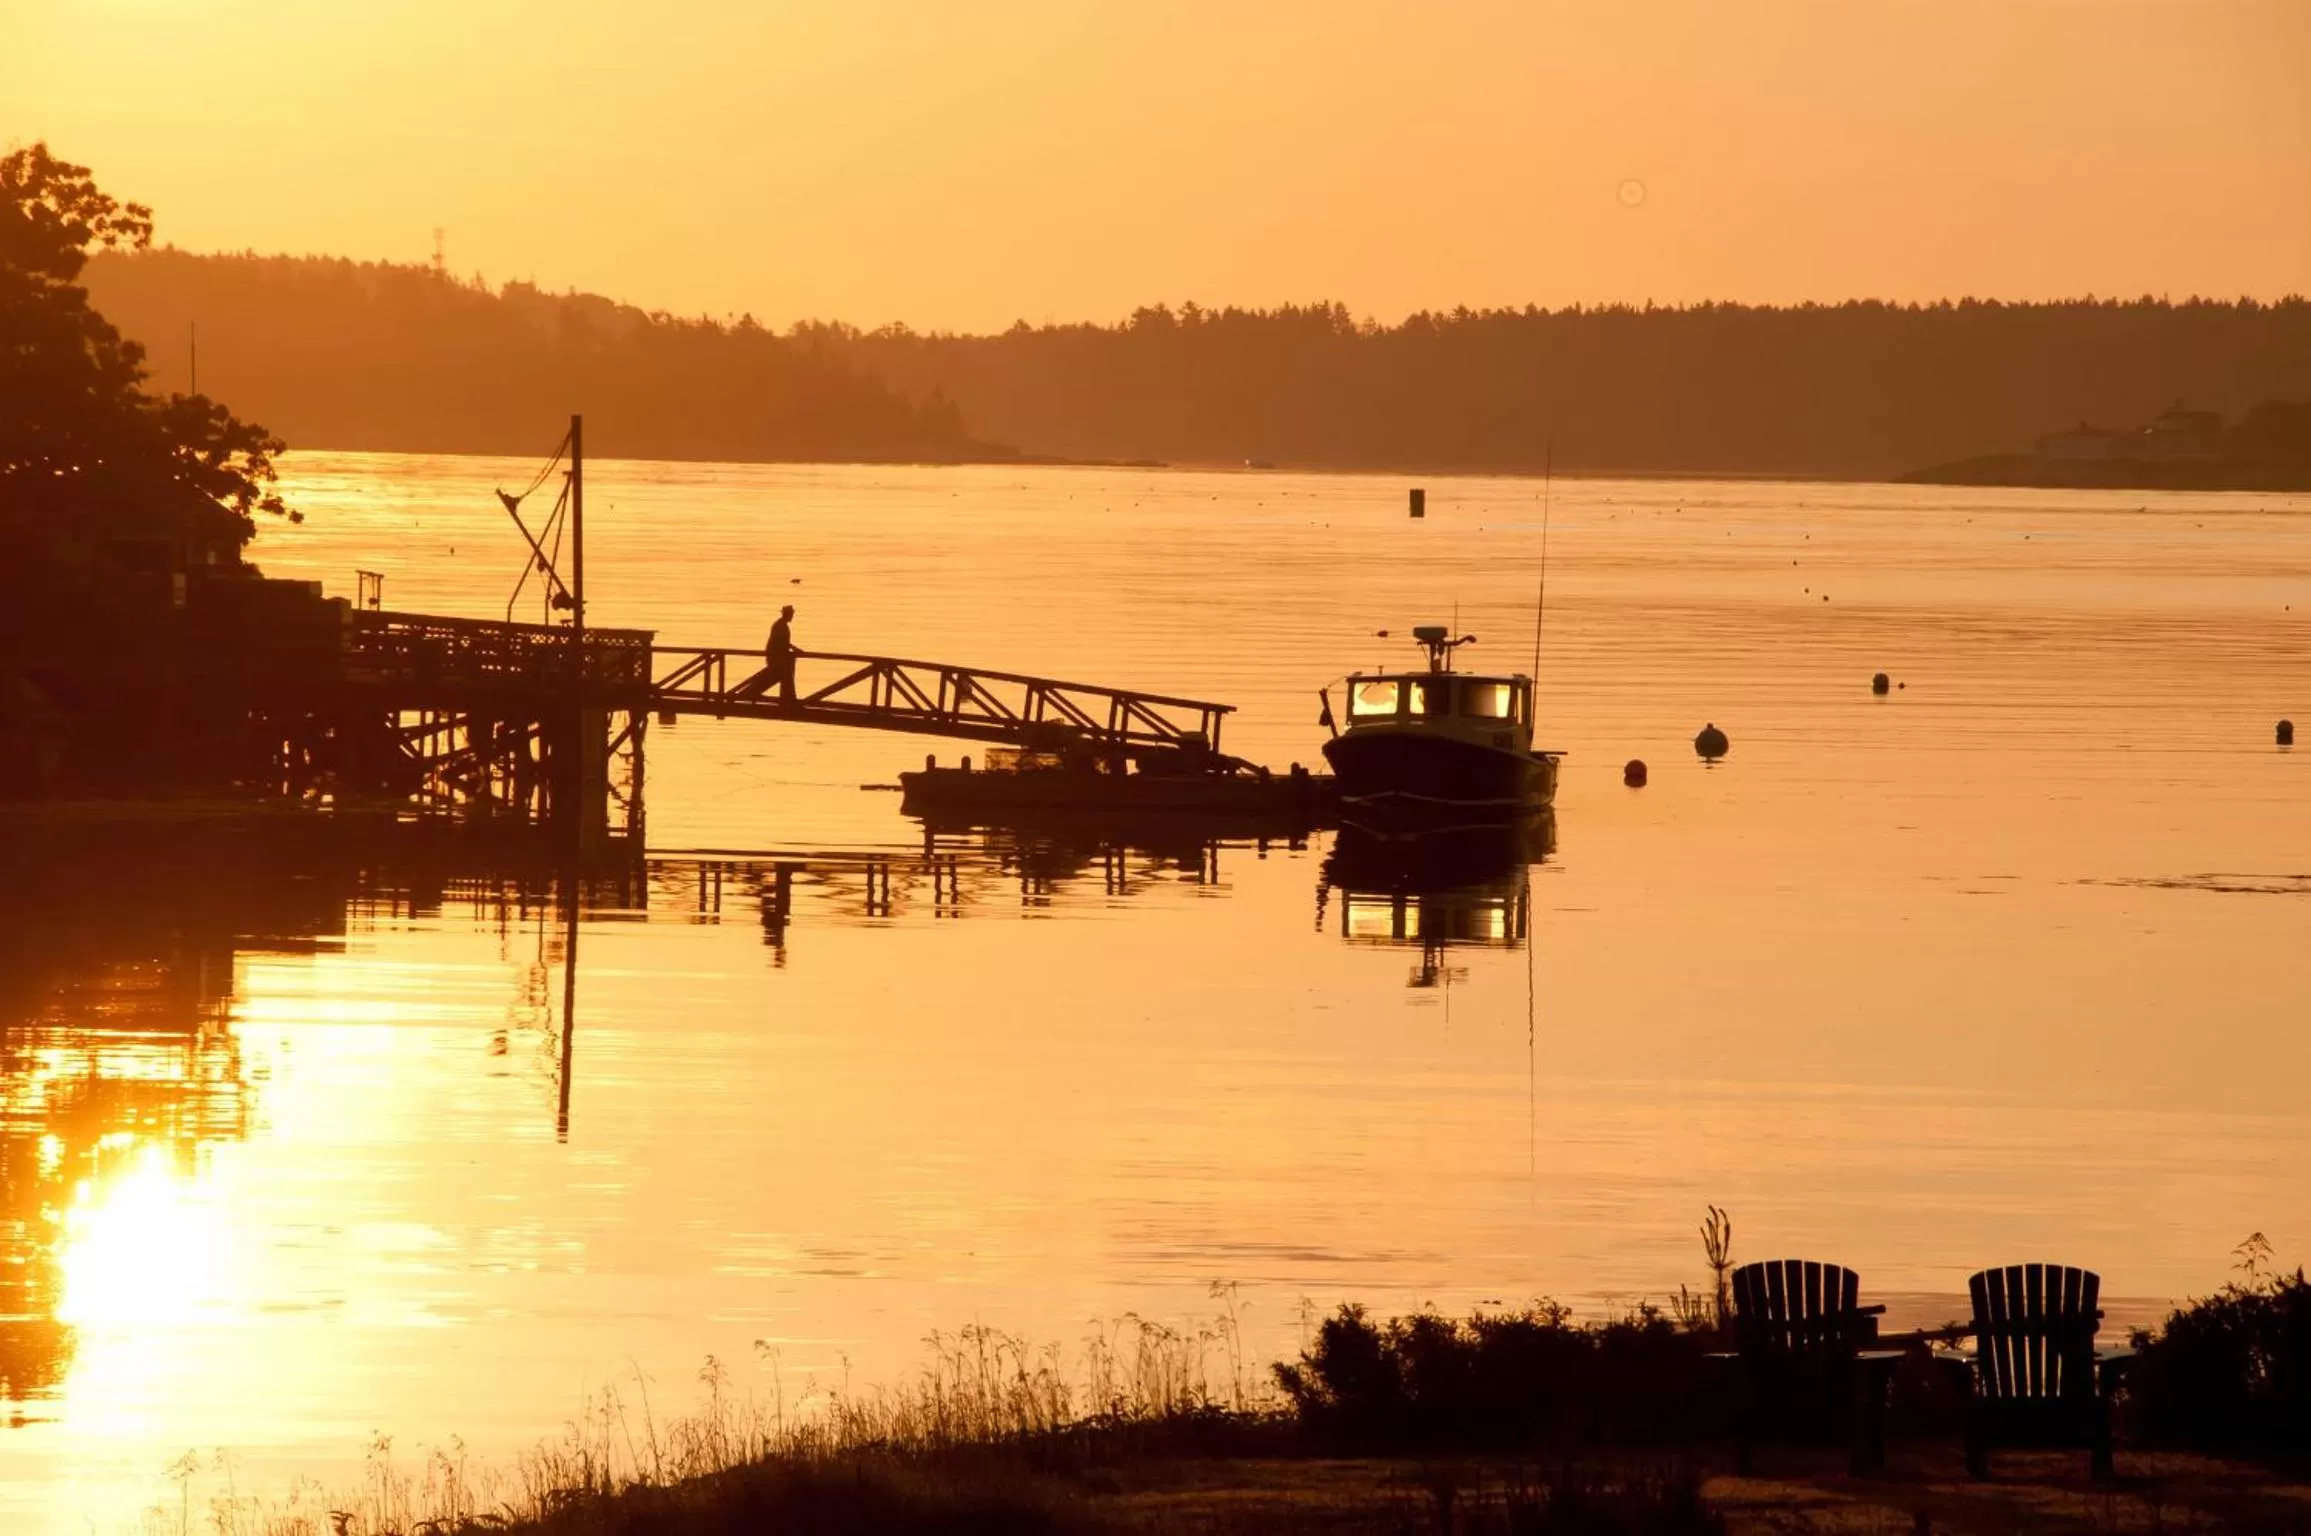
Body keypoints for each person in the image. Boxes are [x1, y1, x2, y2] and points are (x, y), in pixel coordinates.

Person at [765, 604, 797, 703]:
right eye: (791, 614)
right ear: (787, 614)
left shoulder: (781, 625)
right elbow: (781, 643)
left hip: (776, 657)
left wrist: (793, 649)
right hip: (775, 659)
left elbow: (784, 643)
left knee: (787, 673)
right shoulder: (780, 626)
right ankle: (788, 699)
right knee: (786, 674)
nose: (792, 616)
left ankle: (788, 698)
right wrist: (795, 649)